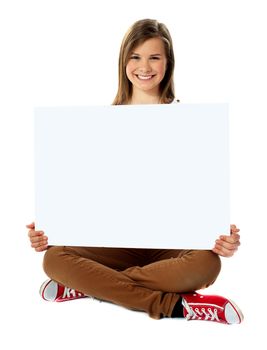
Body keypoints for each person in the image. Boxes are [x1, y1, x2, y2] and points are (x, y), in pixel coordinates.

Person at [27, 19, 243, 324]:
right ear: (123, 62)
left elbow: (201, 197)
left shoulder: (191, 123)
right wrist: (54, 226)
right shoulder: (94, 127)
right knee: (54, 258)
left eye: (154, 57)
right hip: (112, 243)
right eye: (135, 57)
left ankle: (90, 286)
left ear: (168, 63)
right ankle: (174, 306)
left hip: (169, 246)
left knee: (208, 264)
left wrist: (221, 234)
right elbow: (82, 195)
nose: (145, 66)